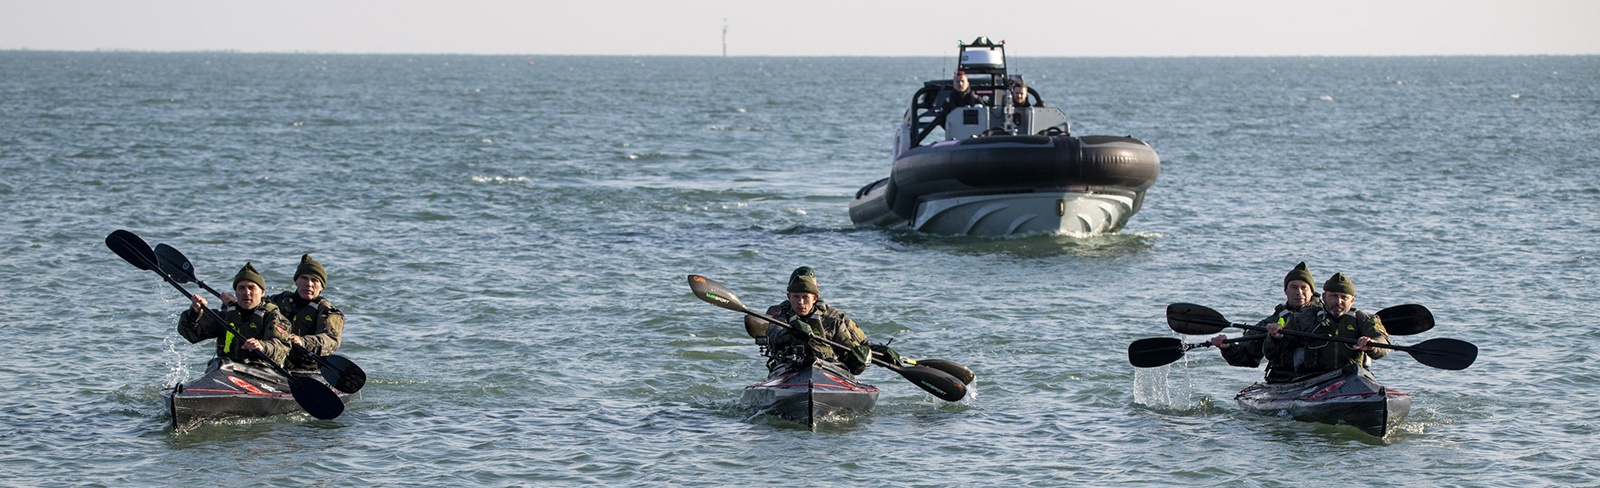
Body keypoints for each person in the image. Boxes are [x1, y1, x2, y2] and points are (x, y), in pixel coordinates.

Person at [1261, 273, 1390, 381]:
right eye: (1334, 296)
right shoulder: (1303, 318)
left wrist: (1372, 345)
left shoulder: (1363, 319)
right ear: (1324, 297)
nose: (1338, 301)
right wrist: (1274, 338)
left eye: (1344, 297)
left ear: (1352, 300)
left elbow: (1383, 341)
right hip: (1312, 379)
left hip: (1351, 378)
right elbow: (1273, 354)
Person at [1211, 262, 1322, 383]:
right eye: (1294, 287)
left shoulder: (1327, 316)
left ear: (1312, 292)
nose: (1299, 292)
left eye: (1304, 288)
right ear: (1286, 291)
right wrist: (1227, 348)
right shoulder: (1272, 322)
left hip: (1321, 377)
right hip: (1284, 379)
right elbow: (1246, 357)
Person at [762, 266, 884, 375]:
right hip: (788, 368)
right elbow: (774, 333)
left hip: (828, 370)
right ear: (789, 297)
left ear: (815, 297)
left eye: (805, 297)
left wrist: (875, 353)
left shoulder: (834, 318)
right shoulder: (778, 313)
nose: (801, 302)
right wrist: (790, 334)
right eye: (796, 297)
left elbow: (859, 345)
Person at [178, 262, 291, 367]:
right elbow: (190, 334)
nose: (246, 292)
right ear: (236, 292)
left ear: (262, 292)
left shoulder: (272, 316)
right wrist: (195, 312)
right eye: (241, 288)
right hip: (228, 370)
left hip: (261, 372)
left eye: (251, 288)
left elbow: (281, 346)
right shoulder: (226, 315)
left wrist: (262, 346)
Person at [266, 254, 345, 372]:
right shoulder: (278, 301)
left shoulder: (327, 311)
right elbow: (254, 305)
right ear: (296, 281)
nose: (309, 284)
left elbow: (331, 340)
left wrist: (303, 342)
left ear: (322, 286)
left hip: (307, 368)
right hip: (275, 363)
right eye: (304, 278)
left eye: (314, 280)